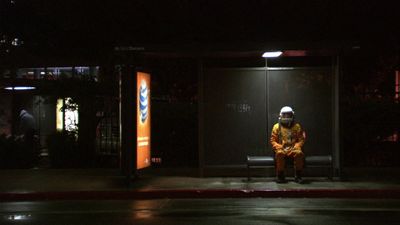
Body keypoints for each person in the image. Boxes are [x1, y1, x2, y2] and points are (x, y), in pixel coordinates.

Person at [270, 106, 305, 183]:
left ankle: (298, 175)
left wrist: (297, 146)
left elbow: (301, 139)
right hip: (281, 148)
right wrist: (279, 146)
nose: (286, 116)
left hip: (293, 148)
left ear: (292, 115)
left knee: (299, 153)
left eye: (288, 114)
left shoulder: (297, 127)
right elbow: (273, 140)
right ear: (281, 115)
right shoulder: (276, 127)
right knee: (279, 154)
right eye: (284, 115)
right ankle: (280, 175)